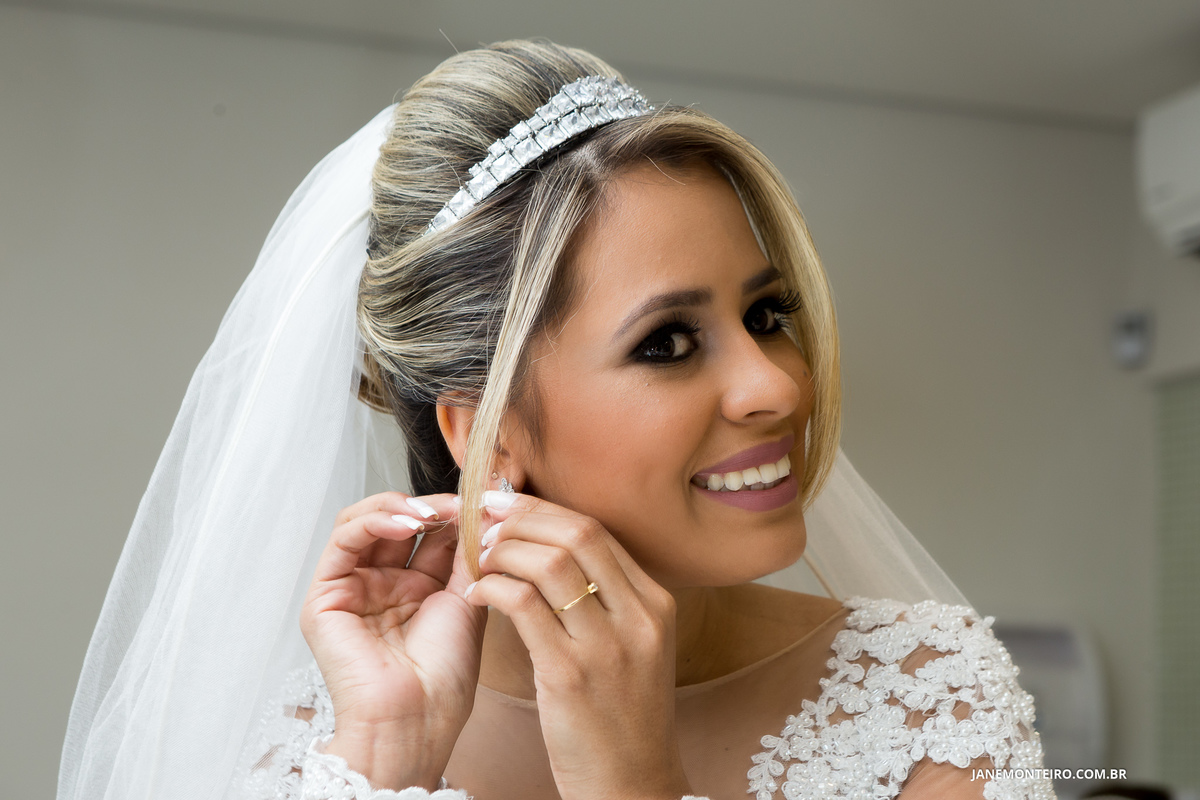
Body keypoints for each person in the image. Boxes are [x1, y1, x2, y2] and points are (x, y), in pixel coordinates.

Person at [58, 40, 1055, 800]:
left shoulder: (927, 697)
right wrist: (388, 759)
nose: (777, 387)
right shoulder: (313, 741)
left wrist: (634, 781)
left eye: (767, 316)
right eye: (668, 342)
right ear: (486, 432)